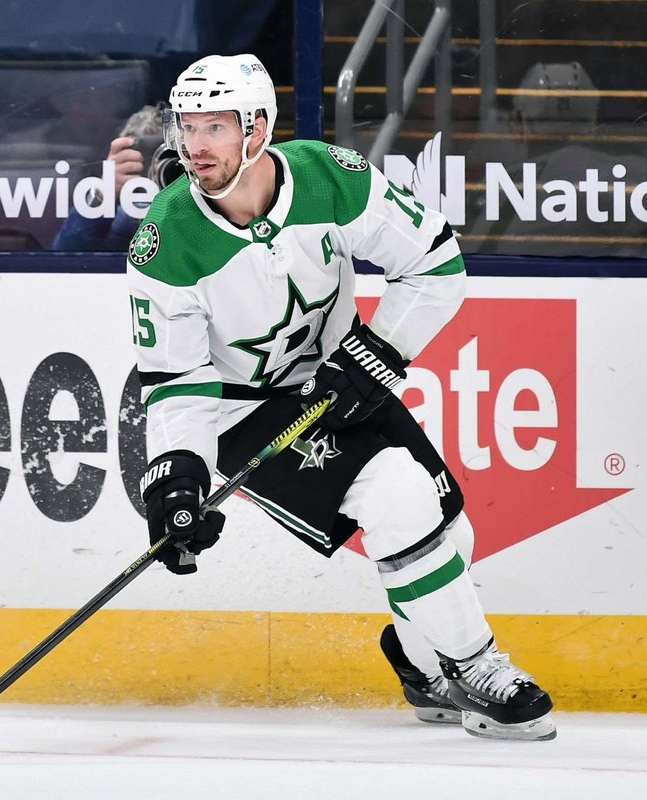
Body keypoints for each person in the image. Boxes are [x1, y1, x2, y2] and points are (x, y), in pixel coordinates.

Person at [125, 53, 556, 742]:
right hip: (247, 410)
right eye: (187, 126)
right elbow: (178, 383)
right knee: (398, 497)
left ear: (257, 128)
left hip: (342, 375)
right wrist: (176, 477)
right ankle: (476, 669)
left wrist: (379, 351)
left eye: (216, 126)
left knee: (451, 533)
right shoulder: (165, 241)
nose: (196, 144)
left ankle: (422, 669)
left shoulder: (330, 178)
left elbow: (436, 262)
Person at [52, 104, 183, 250]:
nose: (158, 167)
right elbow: (66, 253)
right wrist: (104, 193)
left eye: (169, 156)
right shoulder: (126, 217)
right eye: (146, 156)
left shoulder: (202, 198)